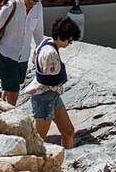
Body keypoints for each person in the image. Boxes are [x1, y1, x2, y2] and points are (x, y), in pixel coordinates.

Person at [0, 0, 46, 105]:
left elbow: (38, 30)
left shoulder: (38, 7)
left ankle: (1, 109)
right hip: (7, 53)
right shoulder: (11, 5)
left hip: (24, 55)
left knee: (10, 87)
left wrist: (41, 49)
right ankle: (11, 115)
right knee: (13, 89)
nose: (33, 2)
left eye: (36, 0)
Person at [27, 16, 82, 148]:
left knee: (68, 131)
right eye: (69, 40)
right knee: (38, 140)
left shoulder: (45, 42)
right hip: (44, 98)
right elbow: (52, 79)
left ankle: (67, 158)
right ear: (61, 36)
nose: (69, 43)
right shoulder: (50, 53)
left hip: (53, 95)